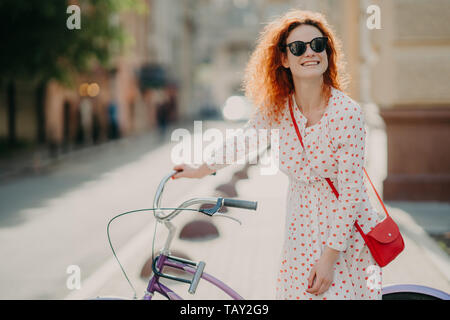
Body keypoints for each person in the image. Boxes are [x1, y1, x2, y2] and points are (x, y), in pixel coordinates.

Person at [171, 9, 382, 300]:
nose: (310, 53)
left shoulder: (347, 114)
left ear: (328, 53)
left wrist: (329, 258)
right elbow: (243, 140)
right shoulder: (281, 108)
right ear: (284, 58)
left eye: (318, 45)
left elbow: (351, 195)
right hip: (299, 232)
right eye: (298, 47)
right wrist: (200, 169)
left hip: (342, 239)